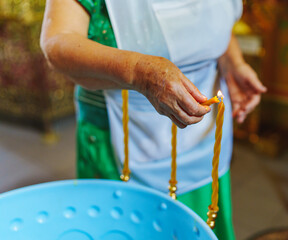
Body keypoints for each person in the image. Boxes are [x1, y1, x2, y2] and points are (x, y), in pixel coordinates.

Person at [40, 0, 266, 239]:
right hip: (118, 137)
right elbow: (58, 42)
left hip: (205, 140)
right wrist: (140, 72)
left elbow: (212, 15)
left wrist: (233, 63)